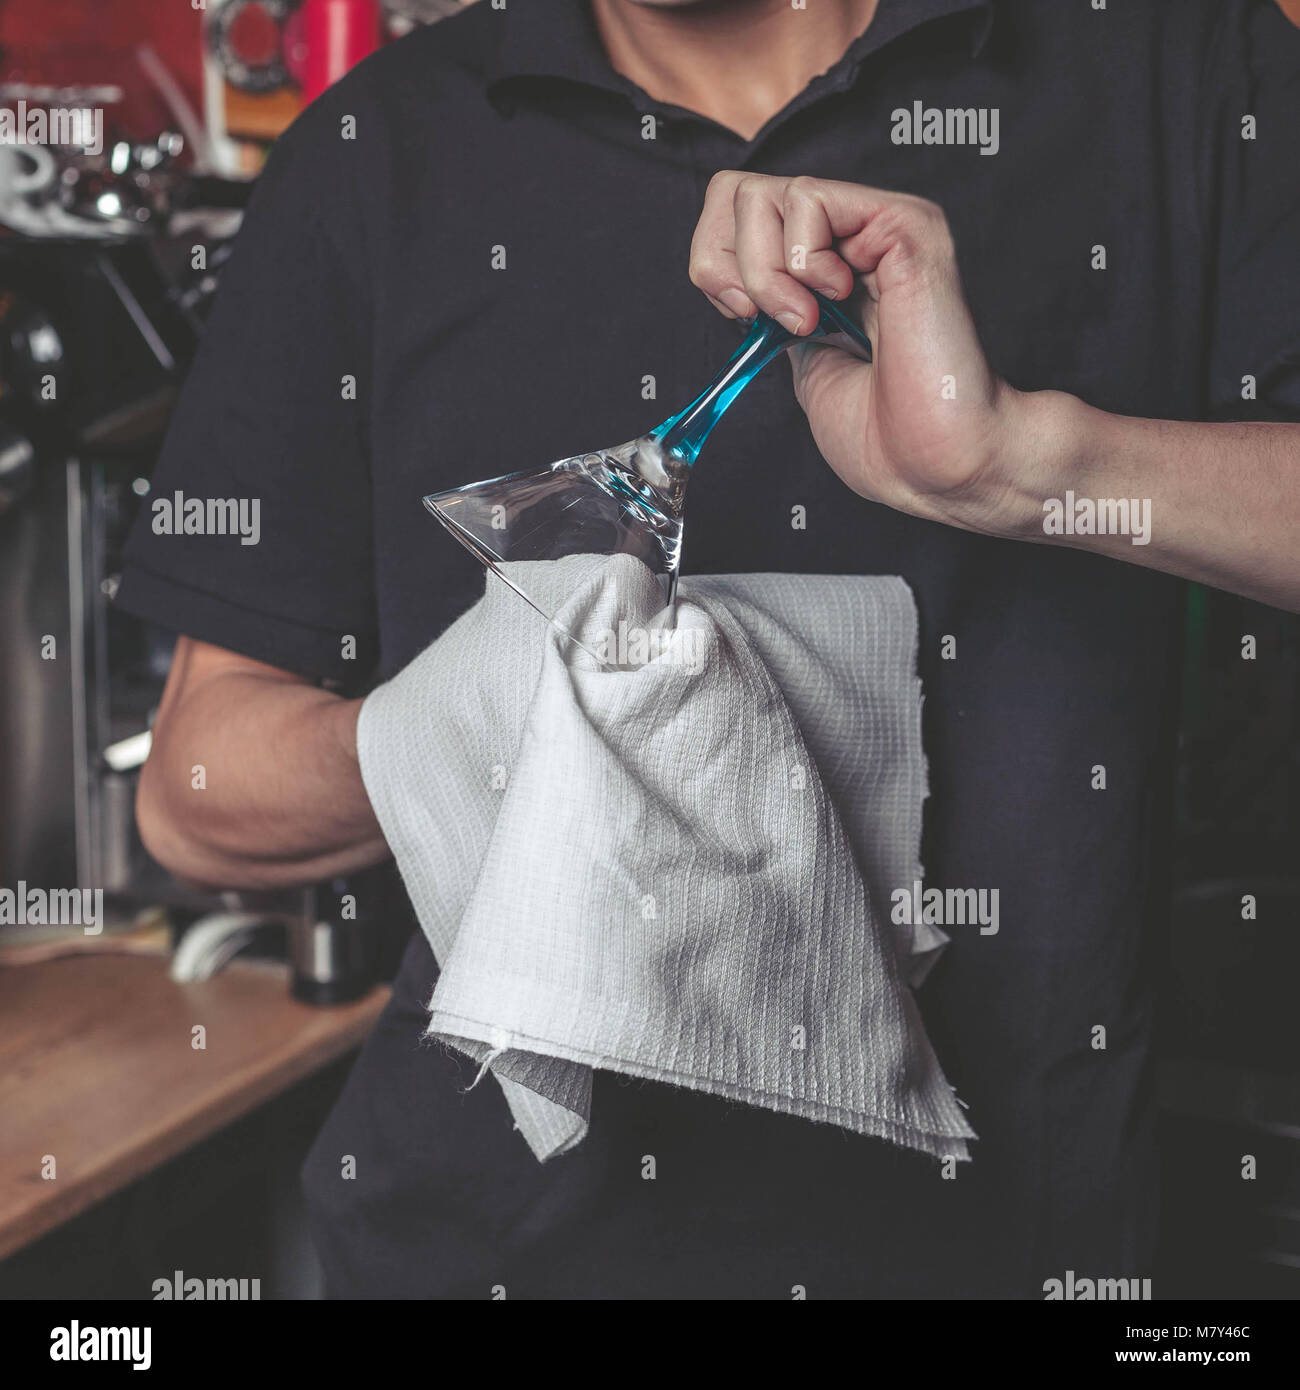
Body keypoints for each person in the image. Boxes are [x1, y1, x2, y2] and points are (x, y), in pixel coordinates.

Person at [116, 0, 1300, 1298]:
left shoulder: (1181, 62)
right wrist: (479, 714)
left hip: (1020, 1249)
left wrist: (1029, 467)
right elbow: (194, 799)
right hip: (491, 1254)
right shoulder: (375, 151)